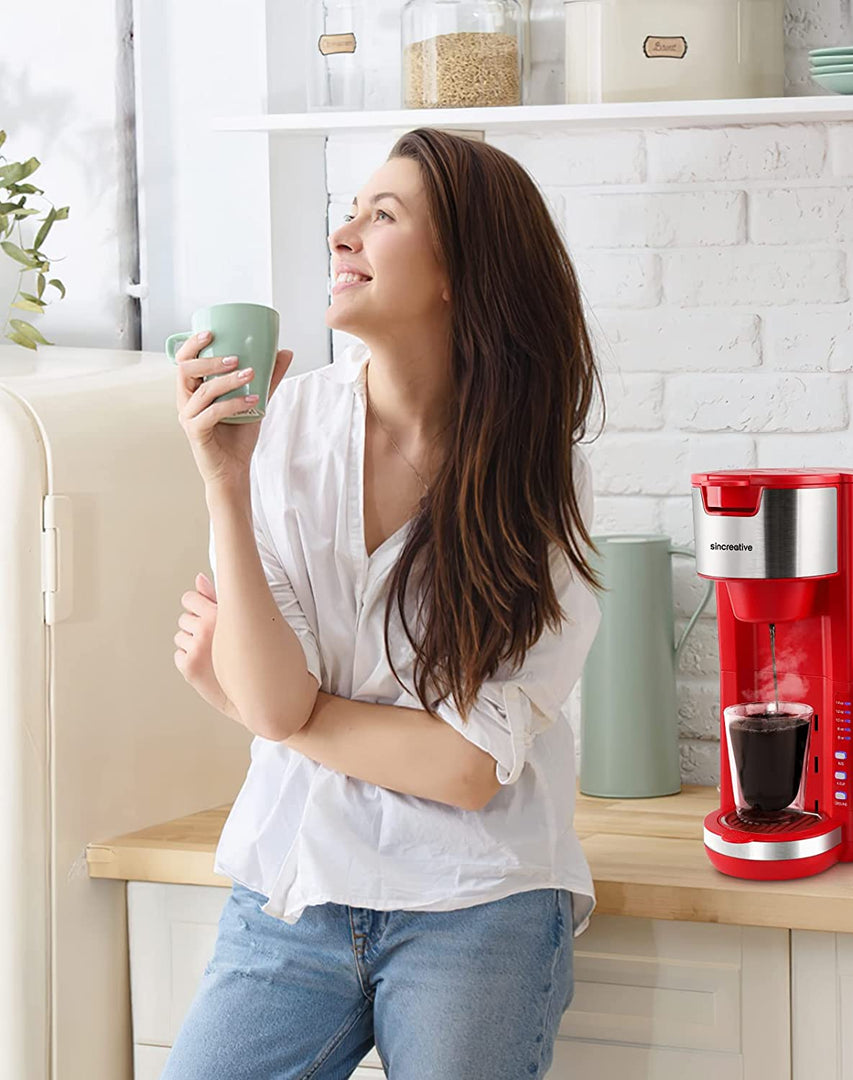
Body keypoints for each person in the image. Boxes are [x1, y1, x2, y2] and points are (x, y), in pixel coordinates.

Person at [165, 127, 607, 1080]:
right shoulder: (284, 432)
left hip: (478, 901)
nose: (343, 234)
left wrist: (258, 706)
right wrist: (224, 484)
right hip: (296, 887)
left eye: (384, 214)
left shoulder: (536, 487)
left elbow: (464, 772)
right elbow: (282, 705)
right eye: (349, 211)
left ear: (459, 273)